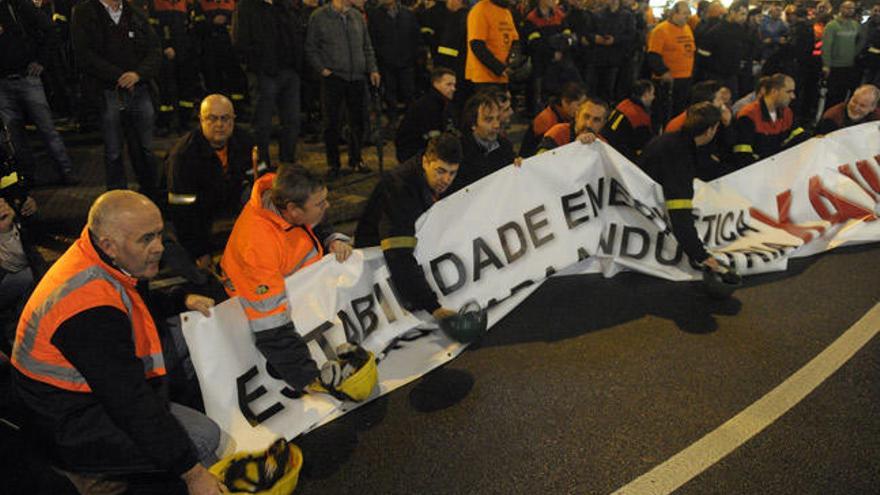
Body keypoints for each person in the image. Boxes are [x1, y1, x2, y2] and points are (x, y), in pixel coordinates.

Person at [10, 190, 227, 494]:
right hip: (68, 424)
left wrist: (181, 298)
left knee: (184, 333)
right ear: (109, 245)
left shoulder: (99, 255)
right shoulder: (88, 312)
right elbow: (129, 400)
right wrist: (192, 472)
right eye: (146, 239)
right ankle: (94, 478)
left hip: (76, 399)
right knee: (204, 437)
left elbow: (131, 300)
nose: (158, 248)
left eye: (160, 235)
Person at [220, 165, 353, 392]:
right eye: (321, 204)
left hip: (293, 299)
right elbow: (271, 328)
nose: (327, 206)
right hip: (260, 313)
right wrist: (310, 378)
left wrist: (331, 238)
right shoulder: (257, 246)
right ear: (293, 210)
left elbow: (312, 222)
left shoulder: (286, 196)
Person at [354, 133, 461, 321]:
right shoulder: (399, 188)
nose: (446, 180)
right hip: (380, 270)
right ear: (425, 162)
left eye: (452, 173)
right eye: (440, 171)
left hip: (410, 259)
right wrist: (432, 307)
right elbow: (398, 254)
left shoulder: (431, 180)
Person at [71, 0, 162, 199]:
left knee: (146, 147)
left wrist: (137, 75)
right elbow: (83, 55)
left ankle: (151, 192)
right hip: (107, 91)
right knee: (113, 150)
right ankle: (116, 197)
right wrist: (118, 76)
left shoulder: (136, 13)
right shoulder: (83, 13)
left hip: (140, 89)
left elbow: (155, 51)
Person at [165, 94, 257, 270]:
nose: (219, 124)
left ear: (233, 119)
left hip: (227, 205)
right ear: (201, 120)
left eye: (225, 118)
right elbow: (182, 211)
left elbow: (262, 180)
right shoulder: (183, 156)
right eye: (212, 119)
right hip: (198, 215)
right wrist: (199, 251)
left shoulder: (246, 142)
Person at [0, 0, 79, 186]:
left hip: (25, 76)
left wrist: (41, 60)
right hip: (6, 81)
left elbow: (50, 30)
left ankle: (64, 171)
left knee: (43, 129)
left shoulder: (18, 5)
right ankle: (30, 176)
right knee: (15, 134)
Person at [639, 102, 723, 271]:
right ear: (709, 130)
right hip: (646, 217)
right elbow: (679, 213)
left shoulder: (673, 140)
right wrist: (701, 255)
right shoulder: (680, 157)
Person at [306, 0, 381, 178]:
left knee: (358, 121)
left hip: (356, 77)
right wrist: (322, 70)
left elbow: (367, 46)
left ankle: (356, 159)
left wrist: (372, 69)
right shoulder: (319, 17)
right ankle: (334, 164)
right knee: (332, 122)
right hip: (334, 78)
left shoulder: (356, 16)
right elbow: (311, 47)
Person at [234, 0, 306, 167]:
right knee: (262, 123)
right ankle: (261, 164)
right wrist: (256, 66)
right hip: (264, 73)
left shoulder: (283, 7)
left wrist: (296, 64)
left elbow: (295, 35)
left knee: (291, 121)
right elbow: (240, 41)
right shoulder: (247, 7)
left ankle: (288, 163)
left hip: (289, 71)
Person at [446, 92, 515, 195]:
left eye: (497, 118)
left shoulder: (505, 146)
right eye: (488, 120)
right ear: (473, 124)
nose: (496, 125)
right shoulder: (458, 153)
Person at [732, 73, 806, 167]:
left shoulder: (787, 112)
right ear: (774, 91)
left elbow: (800, 137)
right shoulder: (749, 115)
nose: (793, 96)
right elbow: (743, 155)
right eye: (789, 92)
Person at [148, 0, 198, 135]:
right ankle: (164, 123)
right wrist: (165, 46)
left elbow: (191, 27)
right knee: (166, 90)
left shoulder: (186, 4)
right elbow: (152, 29)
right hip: (167, 53)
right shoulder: (156, 3)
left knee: (186, 89)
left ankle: (184, 122)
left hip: (185, 52)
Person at [367, 0, 421, 122]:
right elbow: (372, 40)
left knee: (409, 93)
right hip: (386, 64)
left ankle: (411, 122)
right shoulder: (375, 15)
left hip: (407, 63)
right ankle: (393, 122)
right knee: (389, 95)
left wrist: (412, 56)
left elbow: (415, 37)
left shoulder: (407, 14)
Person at [645, 1, 694, 127]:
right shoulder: (660, 30)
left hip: (685, 78)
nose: (688, 16)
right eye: (684, 13)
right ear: (674, 14)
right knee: (663, 114)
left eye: (689, 13)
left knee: (679, 113)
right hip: (668, 81)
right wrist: (663, 72)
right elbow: (653, 55)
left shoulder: (687, 28)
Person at [395, 67, 458, 163]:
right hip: (415, 155)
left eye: (454, 85)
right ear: (436, 84)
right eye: (448, 85)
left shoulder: (446, 105)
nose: (453, 89)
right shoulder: (425, 106)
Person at [697, 0, 751, 98]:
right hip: (716, 76)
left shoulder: (740, 30)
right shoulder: (716, 31)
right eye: (742, 14)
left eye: (746, 14)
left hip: (732, 76)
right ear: (732, 12)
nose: (744, 18)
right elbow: (703, 56)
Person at [464, 0, 521, 93]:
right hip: (484, 78)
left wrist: (513, 61)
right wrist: (500, 68)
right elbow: (477, 45)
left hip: (503, 76)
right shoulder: (480, 10)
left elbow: (515, 40)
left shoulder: (506, 12)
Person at [519, 82, 586, 158]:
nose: (583, 109)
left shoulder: (565, 115)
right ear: (565, 101)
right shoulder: (548, 120)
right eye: (579, 105)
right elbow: (544, 154)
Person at [822, 1, 863, 109]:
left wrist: (854, 52)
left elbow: (862, 40)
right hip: (835, 67)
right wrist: (826, 65)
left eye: (852, 8)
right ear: (841, 8)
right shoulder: (832, 26)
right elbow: (826, 47)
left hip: (849, 66)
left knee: (844, 97)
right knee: (832, 97)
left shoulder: (856, 25)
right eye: (847, 8)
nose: (850, 10)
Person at [602, 79, 655, 162]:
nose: (653, 97)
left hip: (607, 147)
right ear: (646, 95)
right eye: (652, 94)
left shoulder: (624, 103)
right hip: (619, 155)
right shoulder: (639, 116)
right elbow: (643, 145)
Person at [538, 96, 608, 152]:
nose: (589, 124)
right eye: (586, 117)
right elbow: (540, 160)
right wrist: (574, 146)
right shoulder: (558, 132)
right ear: (577, 116)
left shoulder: (602, 144)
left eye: (596, 120)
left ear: (603, 124)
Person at [815, 84, 880, 135]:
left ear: (873, 108)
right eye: (854, 101)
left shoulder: (877, 118)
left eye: (862, 106)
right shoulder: (832, 117)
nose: (856, 108)